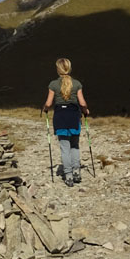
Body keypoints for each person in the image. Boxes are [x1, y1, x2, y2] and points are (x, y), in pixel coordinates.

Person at [42, 58, 89, 187]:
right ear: (69, 68)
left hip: (60, 117)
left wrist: (45, 109)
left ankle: (68, 176)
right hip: (74, 116)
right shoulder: (77, 83)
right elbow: (83, 103)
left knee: (64, 147)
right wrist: (86, 111)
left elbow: (48, 103)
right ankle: (76, 172)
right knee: (75, 145)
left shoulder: (53, 84)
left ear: (58, 69)